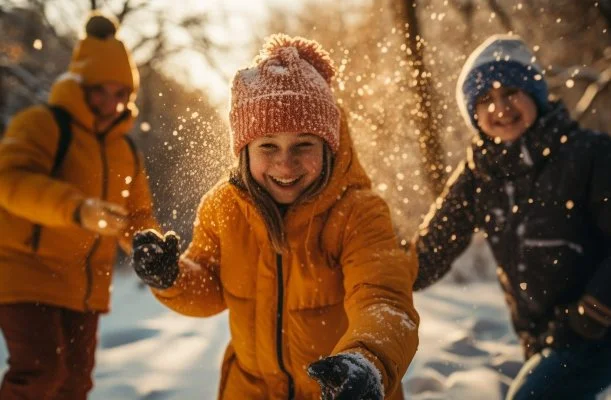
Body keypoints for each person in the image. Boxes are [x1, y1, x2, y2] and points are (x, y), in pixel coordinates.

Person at [131, 34, 419, 400]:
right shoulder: (224, 207)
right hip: (249, 389)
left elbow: (384, 300)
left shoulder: (359, 213)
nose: (286, 163)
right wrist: (171, 277)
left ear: (329, 148)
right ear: (244, 151)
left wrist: (367, 361)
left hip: (340, 391)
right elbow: (210, 288)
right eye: (268, 145)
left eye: (304, 145)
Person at [413, 34, 611, 399]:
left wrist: (593, 311)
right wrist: (371, 270)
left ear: (534, 93)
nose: (499, 107)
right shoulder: (480, 174)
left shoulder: (588, 154)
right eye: (485, 99)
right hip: (543, 340)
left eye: (510, 92)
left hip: (595, 333)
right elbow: (427, 256)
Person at [0, 12, 158, 400]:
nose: (111, 102)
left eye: (121, 93)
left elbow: (136, 217)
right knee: (40, 374)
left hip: (85, 287)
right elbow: (10, 181)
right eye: (101, 90)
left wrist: (150, 246)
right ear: (80, 85)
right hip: (27, 272)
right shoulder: (43, 124)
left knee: (75, 384)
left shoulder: (126, 151)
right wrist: (78, 209)